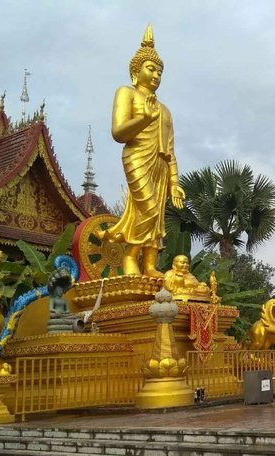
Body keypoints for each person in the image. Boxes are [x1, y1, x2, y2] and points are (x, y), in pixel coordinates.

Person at [103, 24, 185, 277]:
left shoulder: (165, 110)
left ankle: (149, 264)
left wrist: (175, 182)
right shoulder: (126, 93)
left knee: (157, 215)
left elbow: (170, 150)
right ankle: (130, 256)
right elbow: (118, 133)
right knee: (148, 207)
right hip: (137, 156)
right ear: (135, 72)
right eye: (151, 68)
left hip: (160, 165)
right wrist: (145, 119)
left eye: (160, 71)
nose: (156, 75)